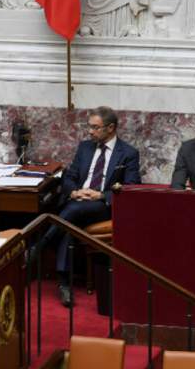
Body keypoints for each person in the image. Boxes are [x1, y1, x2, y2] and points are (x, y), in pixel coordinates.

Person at [44, 107, 141, 307]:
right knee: (71, 223)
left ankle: (41, 245)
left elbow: (130, 187)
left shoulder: (128, 153)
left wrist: (101, 195)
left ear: (111, 128)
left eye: (95, 128)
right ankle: (64, 284)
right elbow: (70, 177)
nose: (90, 132)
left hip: (102, 206)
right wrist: (74, 192)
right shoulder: (85, 147)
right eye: (89, 127)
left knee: (72, 212)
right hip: (78, 201)